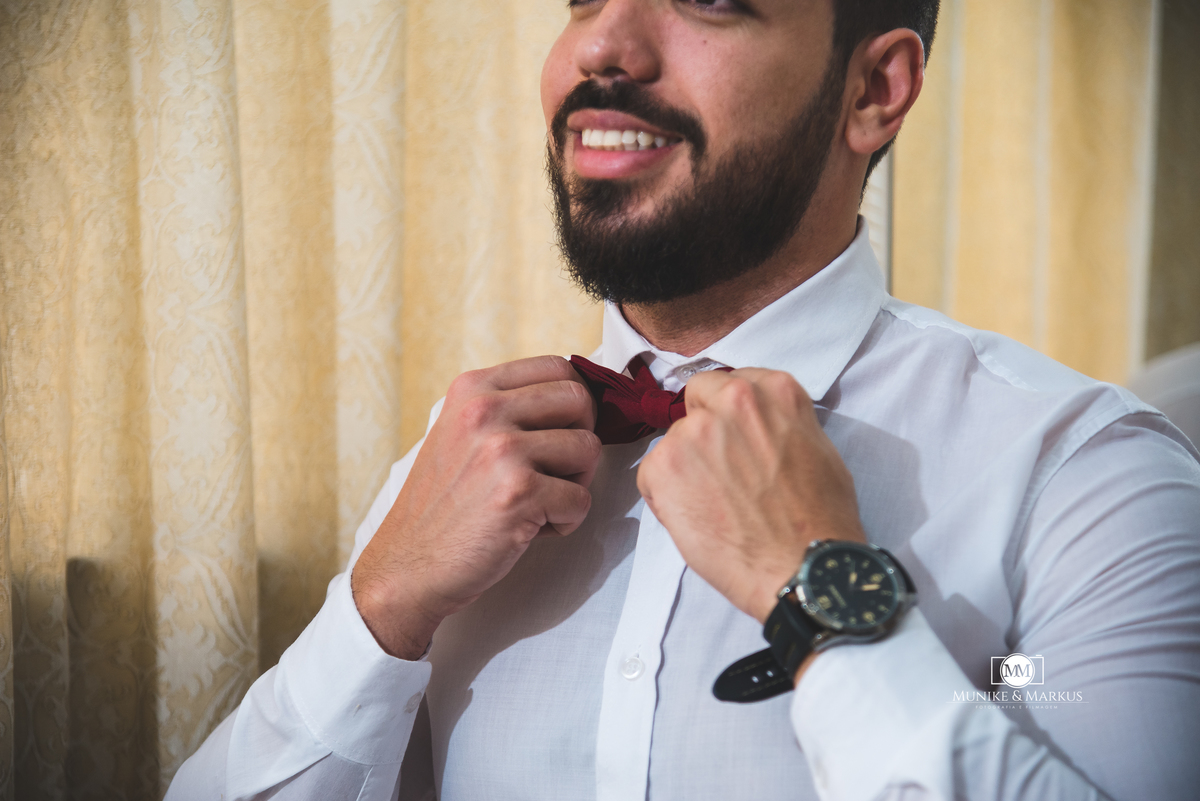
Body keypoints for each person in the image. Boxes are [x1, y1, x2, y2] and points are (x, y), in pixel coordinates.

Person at [167, 1, 1200, 799]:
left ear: (875, 89)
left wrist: (826, 601)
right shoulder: (456, 470)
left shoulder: (1091, 479)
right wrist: (379, 608)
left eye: (707, 0)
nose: (600, 47)